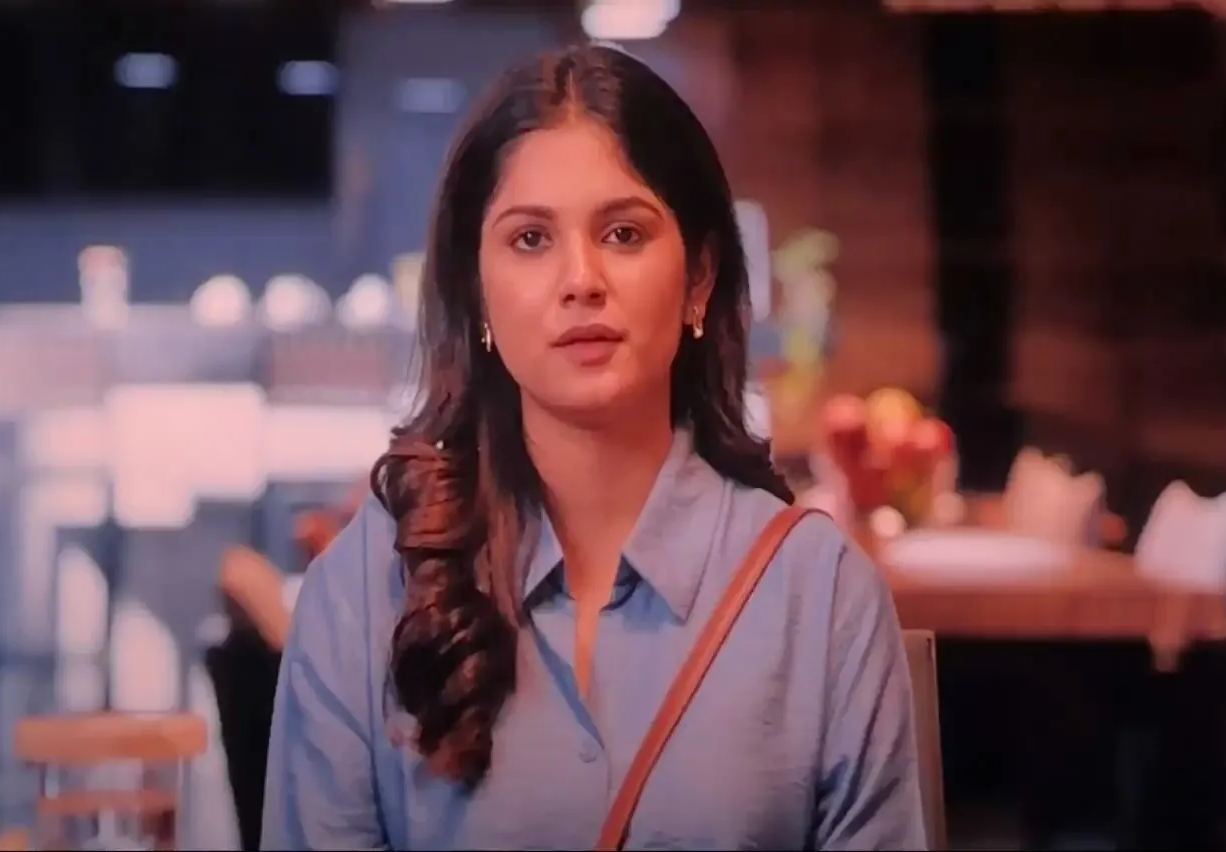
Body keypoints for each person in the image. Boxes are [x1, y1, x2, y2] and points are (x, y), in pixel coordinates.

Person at [262, 44, 925, 851]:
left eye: (622, 232)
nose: (581, 280)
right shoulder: (363, 592)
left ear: (699, 278)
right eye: (530, 239)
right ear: (476, 291)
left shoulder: (820, 596)